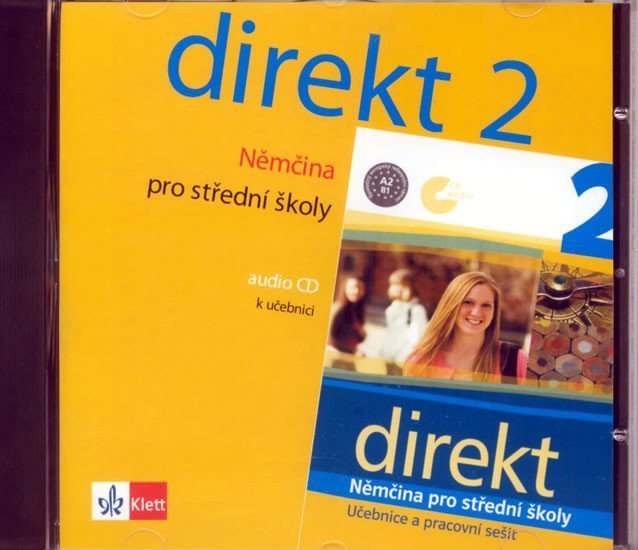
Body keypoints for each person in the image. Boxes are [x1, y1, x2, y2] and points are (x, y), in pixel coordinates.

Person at [403, 271, 527, 384]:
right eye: (468, 302)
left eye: (486, 305)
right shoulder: (421, 362)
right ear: (451, 305)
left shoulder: (517, 362)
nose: (476, 313)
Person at [379, 269, 428, 363]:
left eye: (398, 284)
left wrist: (405, 359)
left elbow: (416, 339)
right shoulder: (395, 305)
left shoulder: (416, 309)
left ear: (409, 287)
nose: (394, 288)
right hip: (387, 357)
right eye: (393, 284)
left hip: (402, 360)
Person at [328, 277, 367, 355]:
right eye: (353, 287)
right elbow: (329, 338)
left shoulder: (357, 310)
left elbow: (360, 338)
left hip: (350, 352)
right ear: (345, 289)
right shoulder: (337, 309)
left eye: (360, 288)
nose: (356, 292)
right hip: (337, 353)